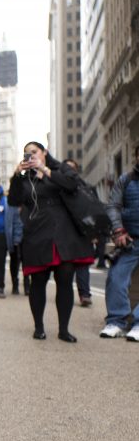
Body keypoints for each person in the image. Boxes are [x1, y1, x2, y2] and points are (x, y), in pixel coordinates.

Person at [8, 141, 94, 342]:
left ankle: (64, 329)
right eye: (26, 153)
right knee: (38, 281)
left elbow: (73, 184)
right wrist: (15, 175)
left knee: (65, 280)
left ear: (44, 152)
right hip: (37, 235)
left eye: (34, 151)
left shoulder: (60, 169)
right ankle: (39, 327)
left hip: (64, 233)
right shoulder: (24, 178)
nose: (31, 155)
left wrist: (45, 170)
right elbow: (13, 201)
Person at [99, 144, 139, 341]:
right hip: (130, 240)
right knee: (115, 278)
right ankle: (116, 321)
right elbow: (113, 206)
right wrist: (118, 230)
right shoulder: (126, 180)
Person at [64, 160, 94, 307]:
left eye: (72, 169)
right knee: (66, 268)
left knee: (82, 266)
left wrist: (94, 233)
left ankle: (85, 294)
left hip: (82, 232)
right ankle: (65, 294)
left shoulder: (87, 188)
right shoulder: (58, 188)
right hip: (65, 234)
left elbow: (94, 209)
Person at [6, 194, 26, 294]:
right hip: (14, 237)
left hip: (27, 238)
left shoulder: (31, 202)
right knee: (14, 262)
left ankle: (27, 284)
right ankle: (15, 283)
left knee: (27, 261)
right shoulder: (11, 204)